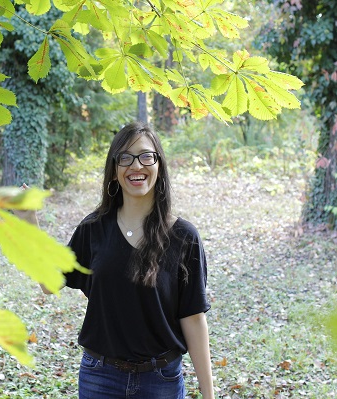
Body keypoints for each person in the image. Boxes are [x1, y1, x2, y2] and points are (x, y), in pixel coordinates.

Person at [41, 121, 214, 398]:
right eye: (125, 158)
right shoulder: (93, 229)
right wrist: (29, 224)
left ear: (159, 166)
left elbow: (193, 318)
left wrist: (209, 394)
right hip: (100, 378)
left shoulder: (184, 237)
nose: (136, 165)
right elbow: (49, 284)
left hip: (161, 382)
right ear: (114, 171)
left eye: (146, 156)